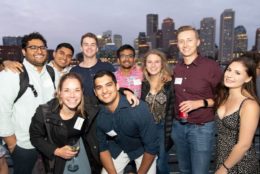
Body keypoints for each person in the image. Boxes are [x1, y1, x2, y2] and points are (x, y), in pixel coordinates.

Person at [0, 32, 56, 174]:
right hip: (24, 146)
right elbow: (2, 110)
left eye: (42, 47)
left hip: (49, 144)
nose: (39, 51)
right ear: (24, 51)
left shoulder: (52, 72)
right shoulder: (11, 74)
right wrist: (12, 145)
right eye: (33, 47)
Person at [171, 26, 222, 174]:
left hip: (202, 128)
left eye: (189, 40)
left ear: (198, 42)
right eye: (181, 41)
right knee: (184, 169)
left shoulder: (211, 66)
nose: (185, 45)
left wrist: (200, 103)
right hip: (179, 126)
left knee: (200, 171)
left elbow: (224, 97)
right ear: (177, 44)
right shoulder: (176, 68)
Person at [30, 72, 97, 174]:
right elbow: (35, 137)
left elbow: (106, 96)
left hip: (82, 152)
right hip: (56, 160)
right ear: (59, 92)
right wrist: (57, 151)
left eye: (77, 90)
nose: (72, 95)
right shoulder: (44, 112)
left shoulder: (87, 106)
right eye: (67, 90)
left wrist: (125, 92)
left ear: (82, 92)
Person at [93, 70, 158, 174]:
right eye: (99, 87)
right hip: (119, 148)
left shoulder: (138, 108)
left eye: (108, 85)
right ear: (95, 92)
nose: (104, 91)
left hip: (143, 150)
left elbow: (151, 147)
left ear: (117, 86)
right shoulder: (97, 114)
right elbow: (103, 149)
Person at [214, 56, 260, 174]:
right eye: (228, 70)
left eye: (237, 73)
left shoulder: (249, 105)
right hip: (222, 158)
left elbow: (244, 145)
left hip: (240, 164)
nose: (229, 75)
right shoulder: (223, 97)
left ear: (248, 78)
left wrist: (224, 169)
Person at [141, 49, 174, 174]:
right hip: (145, 129)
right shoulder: (142, 83)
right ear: (145, 64)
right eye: (149, 62)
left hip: (162, 127)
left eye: (156, 62)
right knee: (147, 162)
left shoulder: (170, 82)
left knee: (161, 163)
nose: (153, 65)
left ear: (162, 64)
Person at [70, 32, 115, 96]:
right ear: (81, 48)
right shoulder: (74, 71)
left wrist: (126, 92)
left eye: (92, 44)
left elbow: (117, 87)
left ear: (97, 49)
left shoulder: (108, 67)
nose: (89, 47)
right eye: (86, 44)